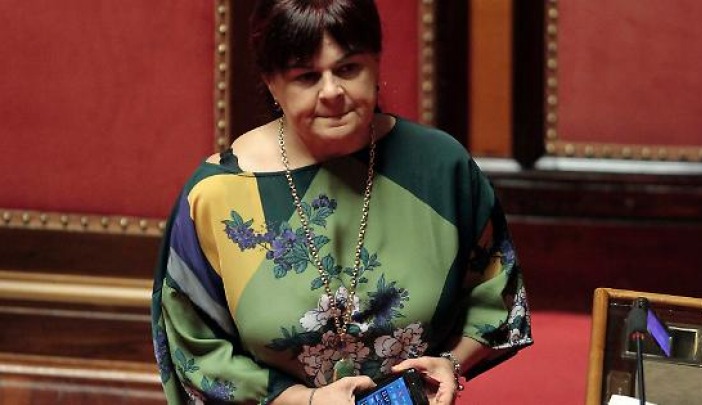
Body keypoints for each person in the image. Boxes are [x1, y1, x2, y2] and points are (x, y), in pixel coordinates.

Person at [151, 0, 532, 403]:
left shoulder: (440, 168)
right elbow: (194, 348)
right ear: (271, 82)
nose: (332, 91)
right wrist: (305, 400)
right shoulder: (215, 195)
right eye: (307, 76)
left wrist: (451, 363)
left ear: (376, 64)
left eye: (348, 69)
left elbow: (496, 295)